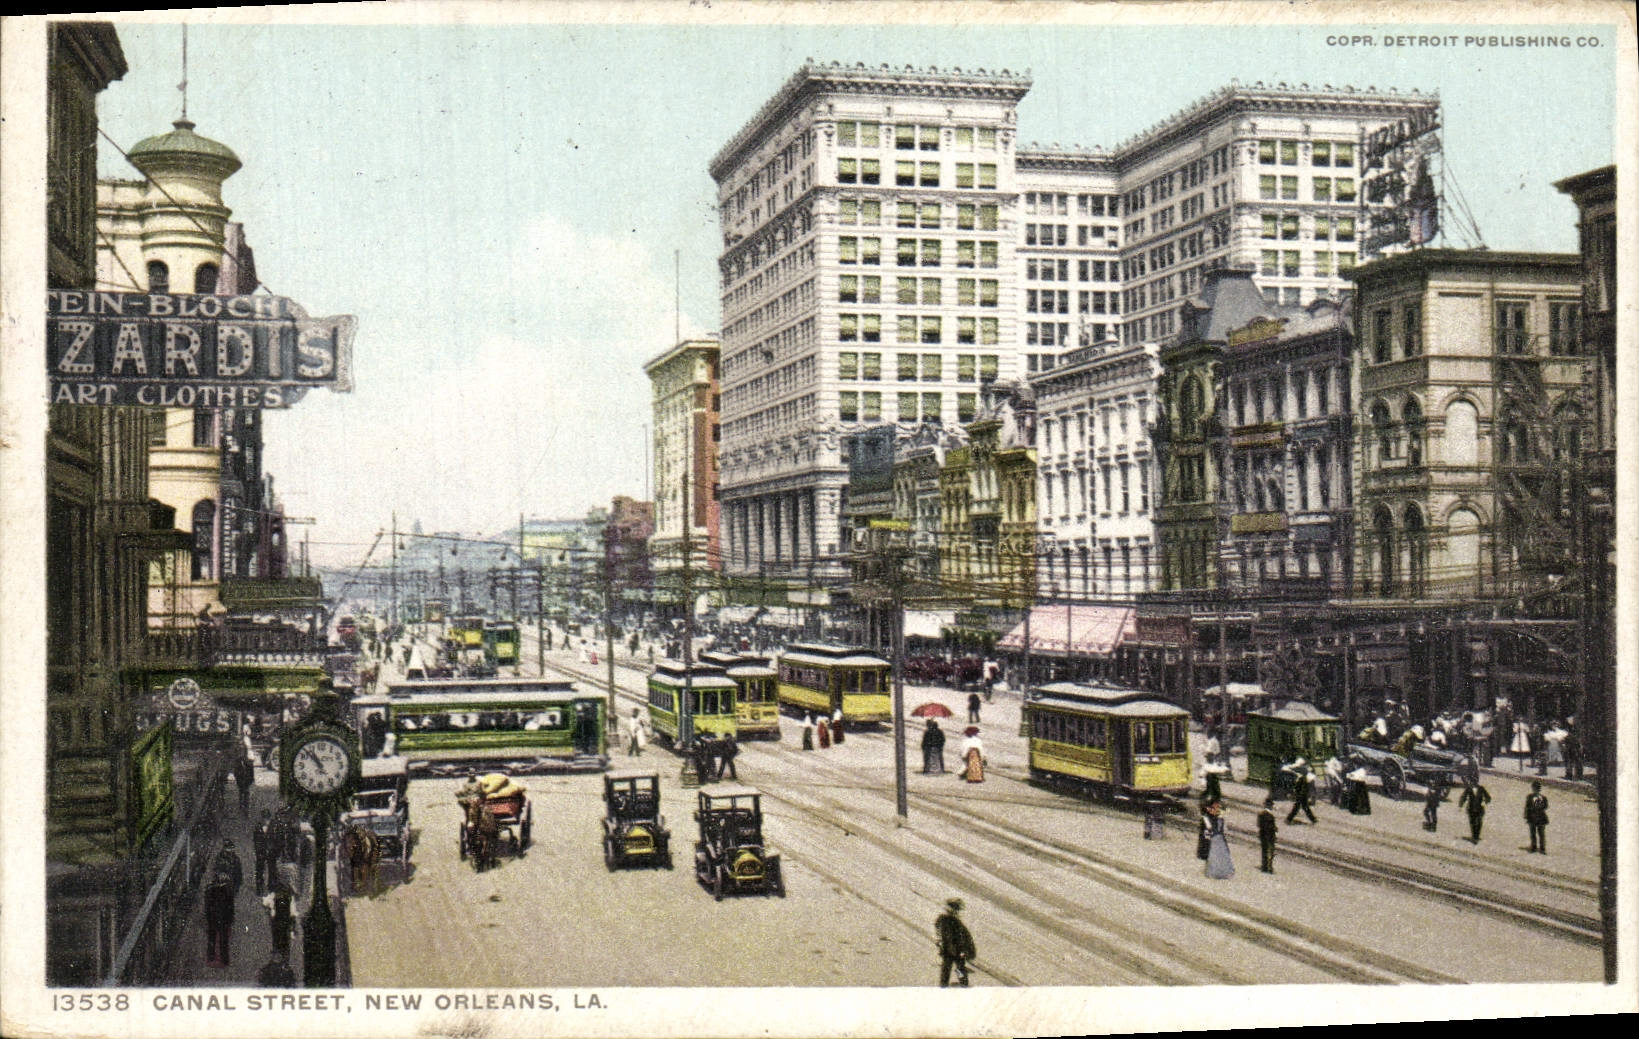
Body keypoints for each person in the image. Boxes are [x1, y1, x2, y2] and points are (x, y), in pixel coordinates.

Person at [935, 898, 976, 988]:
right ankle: (948, 985)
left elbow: (963, 937)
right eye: (956, 909)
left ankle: (961, 984)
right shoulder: (945, 920)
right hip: (950, 950)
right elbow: (942, 934)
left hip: (955, 950)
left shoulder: (953, 921)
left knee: (958, 968)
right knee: (952, 968)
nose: (957, 912)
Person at [203, 869, 237, 968]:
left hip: (213, 918)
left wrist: (208, 917)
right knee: (224, 939)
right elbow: (231, 907)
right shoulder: (228, 891)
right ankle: (225, 959)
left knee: (212, 938)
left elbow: (207, 906)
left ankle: (211, 957)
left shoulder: (209, 889)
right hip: (224, 918)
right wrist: (230, 919)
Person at [263, 879, 295, 963]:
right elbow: (293, 912)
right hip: (285, 923)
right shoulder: (289, 898)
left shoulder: (274, 896)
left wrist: (269, 911)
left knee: (276, 939)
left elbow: (265, 902)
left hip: (276, 922)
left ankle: (277, 955)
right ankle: (285, 959)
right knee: (285, 942)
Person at [1204, 801, 1234, 879]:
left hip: (1215, 837)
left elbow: (1210, 829)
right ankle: (1223, 872)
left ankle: (1214, 872)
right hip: (1219, 838)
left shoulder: (1214, 820)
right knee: (1221, 854)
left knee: (1215, 854)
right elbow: (1224, 830)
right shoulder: (1220, 820)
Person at [1284, 759, 1317, 825]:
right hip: (1302, 795)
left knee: (1301, 808)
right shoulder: (1305, 778)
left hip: (1301, 795)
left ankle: (1289, 819)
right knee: (1301, 808)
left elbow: (1297, 787)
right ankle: (1313, 819)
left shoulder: (1301, 778)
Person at [1459, 780, 1492, 844]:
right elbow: (1464, 797)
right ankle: (1474, 836)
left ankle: (1476, 836)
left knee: (1479, 822)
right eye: (1472, 782)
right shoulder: (1469, 789)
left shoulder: (1481, 789)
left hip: (1479, 809)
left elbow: (1488, 797)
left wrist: (1485, 802)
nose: (1473, 784)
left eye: (1475, 782)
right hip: (1471, 809)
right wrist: (1460, 805)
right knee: (1473, 822)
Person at [1525, 780, 1550, 854]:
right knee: (1533, 833)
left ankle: (1542, 847)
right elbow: (1527, 807)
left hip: (1540, 817)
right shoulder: (1530, 797)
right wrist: (1527, 816)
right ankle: (1534, 846)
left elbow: (1546, 806)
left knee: (1541, 833)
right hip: (1533, 817)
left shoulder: (1542, 798)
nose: (1535, 790)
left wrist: (1538, 808)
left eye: (1536, 788)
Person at [252, 810, 274, 894]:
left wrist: (271, 848)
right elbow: (256, 840)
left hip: (270, 851)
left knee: (272, 869)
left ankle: (271, 886)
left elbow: (274, 839)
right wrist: (258, 850)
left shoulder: (273, 827)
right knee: (259, 870)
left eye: (267, 818)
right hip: (260, 851)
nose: (265, 820)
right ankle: (259, 887)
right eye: (264, 818)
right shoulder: (258, 827)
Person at [1257, 798, 1278, 874]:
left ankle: (1264, 866)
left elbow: (1259, 825)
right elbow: (1269, 826)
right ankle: (1269, 867)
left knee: (1264, 851)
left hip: (1263, 835)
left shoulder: (1260, 814)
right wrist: (1274, 829)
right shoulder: (1270, 815)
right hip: (1269, 835)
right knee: (1270, 851)